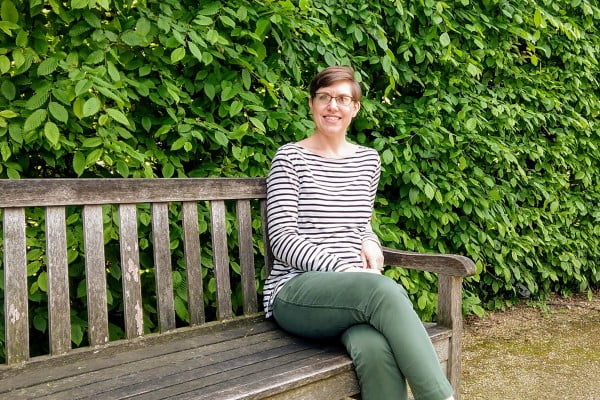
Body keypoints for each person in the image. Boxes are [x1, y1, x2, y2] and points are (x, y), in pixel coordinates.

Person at [262, 65, 455, 400]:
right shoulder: (289, 158)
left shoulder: (368, 160)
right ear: (312, 104)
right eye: (324, 97)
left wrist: (369, 239)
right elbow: (281, 238)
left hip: (351, 294)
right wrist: (341, 268)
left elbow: (360, 220)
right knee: (383, 291)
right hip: (295, 290)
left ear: (355, 108)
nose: (332, 106)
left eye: (342, 99)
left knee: (375, 348)